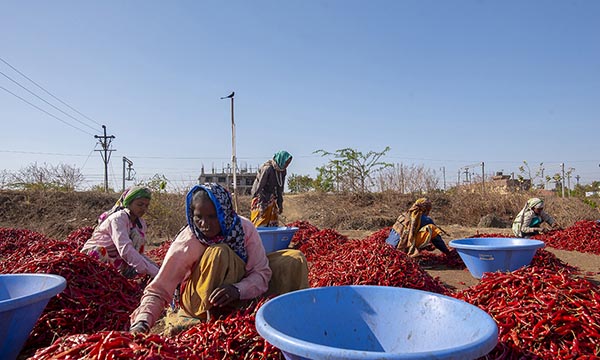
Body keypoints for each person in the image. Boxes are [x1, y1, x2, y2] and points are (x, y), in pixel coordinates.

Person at [129, 183, 308, 333]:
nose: (205, 225)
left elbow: (261, 272)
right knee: (219, 252)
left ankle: (291, 318)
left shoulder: (243, 229)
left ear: (225, 212)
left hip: (238, 293)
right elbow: (161, 287)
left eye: (212, 216)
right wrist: (142, 321)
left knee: (293, 259)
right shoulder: (189, 239)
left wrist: (237, 290)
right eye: (198, 217)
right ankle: (210, 317)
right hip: (199, 300)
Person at [81, 186, 160, 278]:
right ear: (129, 203)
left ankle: (124, 273)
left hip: (115, 259)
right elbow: (125, 249)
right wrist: (155, 272)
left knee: (137, 238)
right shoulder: (118, 219)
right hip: (96, 256)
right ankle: (100, 277)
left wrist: (156, 269)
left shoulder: (140, 224)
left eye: (146, 205)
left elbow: (138, 254)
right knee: (99, 251)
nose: (143, 208)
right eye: (140, 204)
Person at [385, 198, 451, 257]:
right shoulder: (425, 219)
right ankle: (409, 251)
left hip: (388, 246)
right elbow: (437, 239)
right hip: (400, 248)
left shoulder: (404, 215)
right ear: (426, 210)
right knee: (432, 228)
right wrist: (446, 251)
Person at [250, 150, 292, 227]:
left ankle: (271, 234)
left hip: (270, 194)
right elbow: (260, 186)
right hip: (260, 194)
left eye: (288, 163)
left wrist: (280, 203)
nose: (287, 165)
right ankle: (258, 235)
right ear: (281, 160)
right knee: (261, 217)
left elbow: (280, 188)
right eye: (286, 163)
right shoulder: (267, 169)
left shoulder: (282, 171)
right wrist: (260, 204)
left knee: (273, 216)